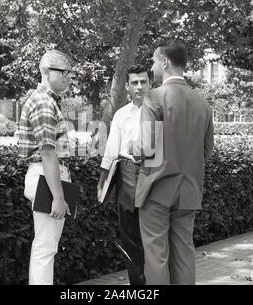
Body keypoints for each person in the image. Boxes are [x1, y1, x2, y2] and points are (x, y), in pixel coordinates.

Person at [133, 41, 214, 285]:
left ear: (165, 62)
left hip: (157, 188)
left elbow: (147, 148)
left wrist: (132, 149)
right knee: (184, 253)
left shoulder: (154, 97)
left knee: (156, 256)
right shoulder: (203, 104)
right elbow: (206, 151)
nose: (152, 66)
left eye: (154, 61)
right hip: (189, 190)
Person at [18, 49, 75, 285]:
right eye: (63, 72)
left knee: (45, 245)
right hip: (46, 176)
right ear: (45, 71)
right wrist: (58, 197)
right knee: (45, 248)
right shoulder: (43, 102)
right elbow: (48, 151)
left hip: (44, 176)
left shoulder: (46, 100)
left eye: (70, 73)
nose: (68, 77)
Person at [97, 64, 150, 285]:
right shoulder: (120, 115)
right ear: (127, 87)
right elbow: (110, 150)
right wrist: (102, 182)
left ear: (150, 83)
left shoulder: (160, 111)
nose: (139, 87)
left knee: (152, 232)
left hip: (153, 171)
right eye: (134, 83)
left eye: (143, 82)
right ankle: (138, 285)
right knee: (129, 234)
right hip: (127, 172)